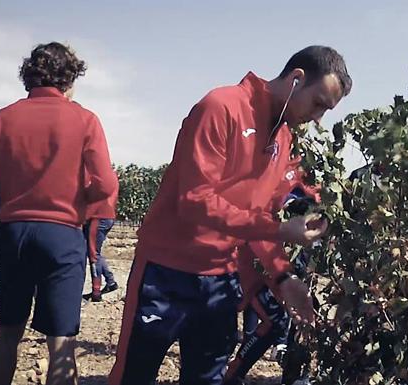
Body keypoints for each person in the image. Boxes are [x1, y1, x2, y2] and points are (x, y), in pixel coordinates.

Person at [108, 45, 352, 385]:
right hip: (164, 274)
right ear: (296, 79)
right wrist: (282, 232)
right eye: (318, 103)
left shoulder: (282, 140)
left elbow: (260, 221)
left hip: (221, 280)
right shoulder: (221, 107)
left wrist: (284, 278)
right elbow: (195, 200)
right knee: (133, 377)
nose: (317, 117)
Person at [0, 42, 117, 385]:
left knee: (7, 334)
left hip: (13, 232)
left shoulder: (1, 119)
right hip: (61, 235)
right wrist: (87, 203)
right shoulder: (84, 119)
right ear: (70, 79)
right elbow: (106, 183)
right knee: (61, 344)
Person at [224, 187, 317, 385]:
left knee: (281, 320)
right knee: (274, 321)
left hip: (267, 274)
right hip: (250, 274)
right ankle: (232, 373)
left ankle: (236, 373)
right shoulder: (271, 208)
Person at [82, 179, 119, 302]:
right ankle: (110, 282)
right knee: (96, 252)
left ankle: (96, 292)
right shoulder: (110, 175)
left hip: (98, 216)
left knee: (93, 254)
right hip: (108, 216)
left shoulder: (93, 176)